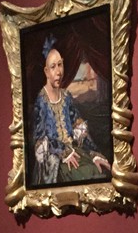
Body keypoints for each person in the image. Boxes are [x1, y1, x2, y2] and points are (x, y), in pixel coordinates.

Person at [31, 37, 111, 185]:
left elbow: (78, 128)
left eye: (60, 65)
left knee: (98, 170)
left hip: (73, 151)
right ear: (46, 71)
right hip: (54, 158)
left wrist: (93, 153)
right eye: (53, 67)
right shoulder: (41, 101)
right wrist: (63, 151)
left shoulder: (66, 97)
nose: (58, 72)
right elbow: (40, 140)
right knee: (84, 174)